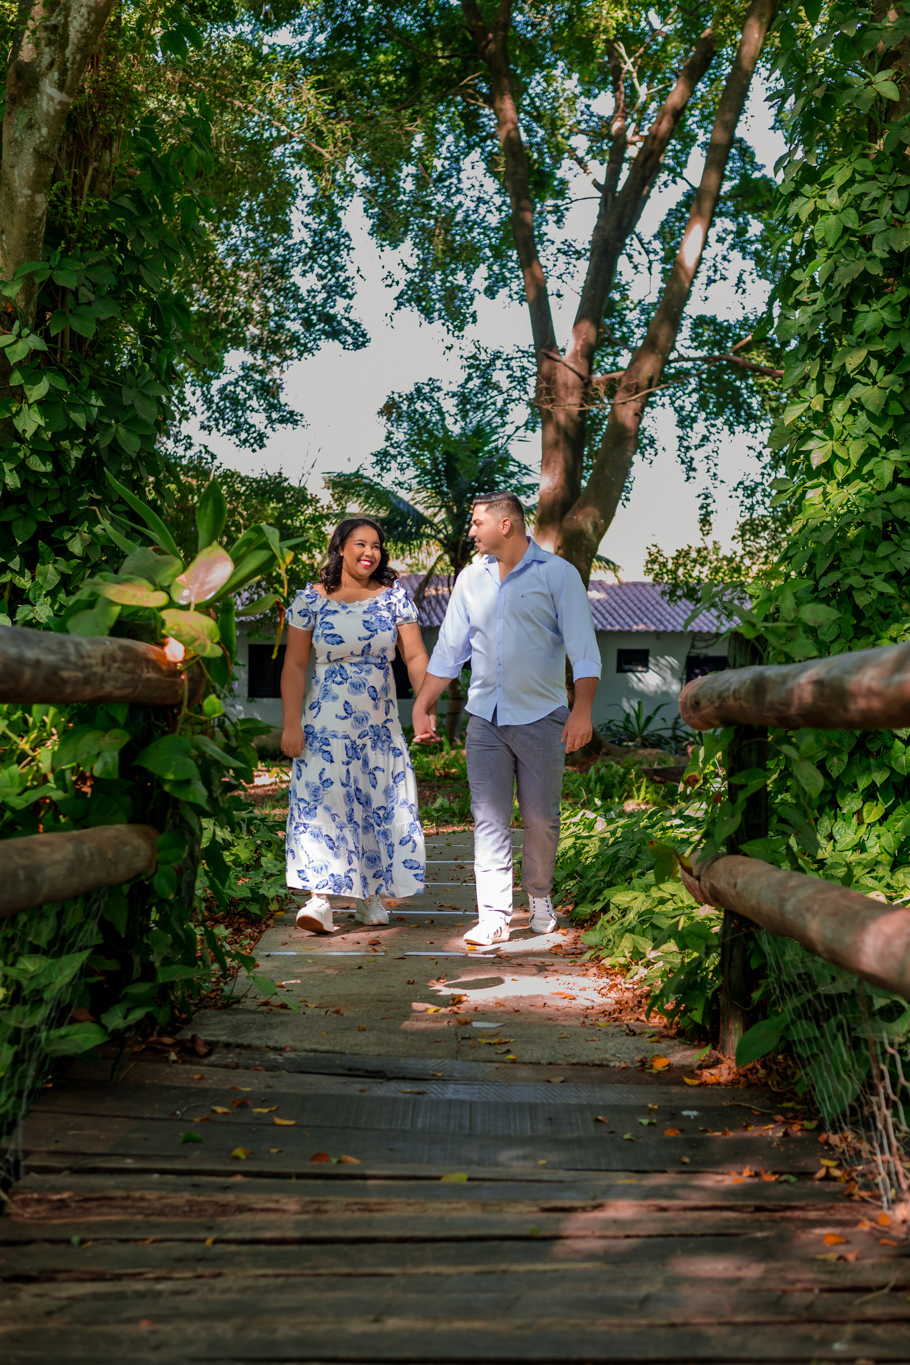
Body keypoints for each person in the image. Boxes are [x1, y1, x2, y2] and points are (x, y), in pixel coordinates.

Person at [411, 493, 600, 947]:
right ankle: (494, 915)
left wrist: (582, 711)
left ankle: (538, 898)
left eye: (477, 522)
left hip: (543, 717)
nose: (471, 530)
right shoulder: (469, 580)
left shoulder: (558, 575)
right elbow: (449, 652)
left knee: (540, 818)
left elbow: (584, 650)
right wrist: (422, 704)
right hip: (485, 719)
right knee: (489, 819)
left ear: (506, 525)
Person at [280, 517, 430, 934]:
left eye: (377, 546)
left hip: (379, 725)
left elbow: (415, 657)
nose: (370, 552)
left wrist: (426, 705)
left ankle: (370, 896)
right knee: (322, 801)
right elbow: (293, 666)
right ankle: (320, 900)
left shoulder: (394, 600)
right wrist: (292, 723)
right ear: (340, 548)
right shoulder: (310, 600)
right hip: (325, 724)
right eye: (361, 544)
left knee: (375, 801)